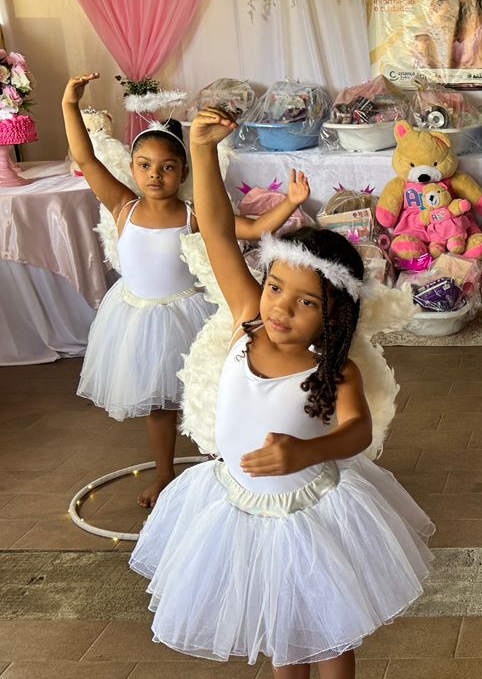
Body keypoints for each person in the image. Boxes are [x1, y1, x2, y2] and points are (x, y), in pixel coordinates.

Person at [130, 107, 434, 679]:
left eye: (304, 304)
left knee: (328, 630)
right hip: (234, 507)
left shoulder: (336, 367)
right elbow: (213, 230)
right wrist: (204, 152)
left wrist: (305, 455)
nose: (280, 309)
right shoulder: (245, 326)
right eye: (276, 289)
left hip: (309, 509)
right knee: (278, 629)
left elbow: (356, 434)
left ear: (333, 317)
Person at [64, 73, 306, 508]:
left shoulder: (194, 215)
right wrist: (69, 105)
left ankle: (223, 466)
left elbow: (249, 229)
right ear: (132, 168)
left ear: (183, 173)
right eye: (145, 166)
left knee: (211, 391)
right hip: (137, 317)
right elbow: (85, 156)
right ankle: (163, 475)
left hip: (186, 315)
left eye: (167, 167)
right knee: (160, 404)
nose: (155, 175)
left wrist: (290, 202)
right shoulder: (123, 206)